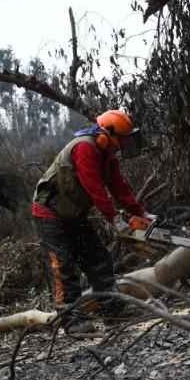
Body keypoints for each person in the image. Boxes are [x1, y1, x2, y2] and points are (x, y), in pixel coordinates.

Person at [32, 109, 157, 330]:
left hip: (73, 214)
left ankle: (113, 310)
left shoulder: (108, 157)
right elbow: (94, 188)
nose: (123, 146)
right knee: (62, 267)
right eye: (122, 140)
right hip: (49, 214)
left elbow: (119, 188)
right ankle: (70, 321)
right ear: (105, 136)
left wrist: (141, 212)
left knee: (98, 258)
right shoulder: (84, 148)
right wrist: (115, 219)